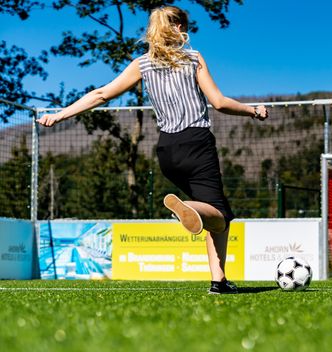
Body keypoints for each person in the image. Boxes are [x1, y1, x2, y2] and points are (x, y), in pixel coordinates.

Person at [37, 6, 268, 294]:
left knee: (211, 215)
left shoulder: (141, 64)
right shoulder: (193, 58)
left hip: (166, 150)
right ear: (180, 27)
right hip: (196, 142)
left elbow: (101, 94)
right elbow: (219, 102)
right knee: (220, 214)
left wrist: (60, 115)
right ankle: (197, 227)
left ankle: (217, 276)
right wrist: (253, 110)